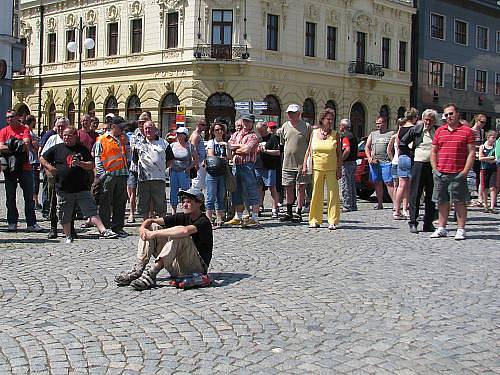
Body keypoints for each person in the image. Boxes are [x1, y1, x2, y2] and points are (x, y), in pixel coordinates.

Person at [114, 187, 213, 291]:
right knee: (153, 227)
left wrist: (154, 234)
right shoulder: (183, 216)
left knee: (180, 235)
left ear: (199, 203)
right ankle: (138, 269)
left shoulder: (204, 221)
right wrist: (143, 228)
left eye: (188, 202)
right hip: (178, 266)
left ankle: (152, 273)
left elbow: (185, 231)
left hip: (197, 268)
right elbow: (151, 221)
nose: (184, 205)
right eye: (183, 202)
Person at [40, 127, 118, 243]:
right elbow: (42, 158)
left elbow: (91, 164)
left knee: (91, 210)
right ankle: (68, 236)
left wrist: (80, 163)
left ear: (75, 136)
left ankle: (103, 231)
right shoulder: (57, 148)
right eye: (64, 135)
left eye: (69, 135)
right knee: (65, 214)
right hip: (63, 188)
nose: (66, 137)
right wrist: (49, 167)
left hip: (81, 187)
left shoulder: (82, 149)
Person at [430, 103, 475, 240]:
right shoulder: (440, 131)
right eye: (446, 114)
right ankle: (442, 228)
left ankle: (461, 229)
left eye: (451, 113)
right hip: (441, 172)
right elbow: (433, 152)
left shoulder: (467, 131)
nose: (449, 116)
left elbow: (471, 153)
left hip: (458, 172)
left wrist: (465, 172)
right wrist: (435, 169)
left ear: (457, 114)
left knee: (459, 202)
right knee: (442, 201)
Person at [0, 110, 42, 232]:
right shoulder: (4, 131)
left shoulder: (24, 129)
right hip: (9, 167)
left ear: (17, 117)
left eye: (11, 117)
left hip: (25, 167)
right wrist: (16, 145)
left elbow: (26, 144)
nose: (9, 119)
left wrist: (10, 145)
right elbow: (1, 147)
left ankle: (31, 223)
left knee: (28, 196)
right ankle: (12, 222)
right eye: (7, 118)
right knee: (10, 196)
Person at [400, 109, 439, 233]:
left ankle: (428, 223)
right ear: (423, 119)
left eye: (431, 120)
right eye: (426, 119)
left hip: (432, 165)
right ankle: (413, 222)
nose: (428, 122)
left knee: (431, 195)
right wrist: (412, 154)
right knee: (415, 194)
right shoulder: (416, 130)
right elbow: (402, 143)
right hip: (419, 164)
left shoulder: (437, 131)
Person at [303, 108, 342, 229]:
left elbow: (339, 153)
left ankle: (333, 220)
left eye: (332, 119)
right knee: (316, 194)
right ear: (322, 119)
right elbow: (309, 150)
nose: (330, 121)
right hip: (317, 168)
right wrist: (305, 164)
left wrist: (339, 168)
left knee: (333, 194)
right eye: (328, 119)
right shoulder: (314, 133)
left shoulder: (336, 135)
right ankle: (314, 219)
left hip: (331, 168)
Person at [94, 116, 130, 237]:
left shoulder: (122, 139)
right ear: (114, 126)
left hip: (122, 174)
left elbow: (125, 155)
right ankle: (105, 227)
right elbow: (97, 158)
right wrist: (102, 174)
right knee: (106, 203)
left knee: (120, 202)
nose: (123, 129)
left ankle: (118, 227)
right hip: (109, 175)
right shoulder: (102, 139)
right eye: (121, 127)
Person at [277, 104, 312, 222]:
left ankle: (299, 211)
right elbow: (283, 143)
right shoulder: (285, 126)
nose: (290, 115)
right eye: (289, 113)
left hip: (302, 164)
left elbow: (310, 145)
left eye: (293, 113)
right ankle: (289, 211)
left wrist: (307, 163)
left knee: (301, 187)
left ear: (299, 114)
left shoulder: (306, 127)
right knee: (288, 188)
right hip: (287, 163)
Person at [225, 113, 261, 227]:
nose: (245, 123)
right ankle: (238, 216)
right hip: (236, 165)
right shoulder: (236, 134)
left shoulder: (253, 136)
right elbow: (229, 148)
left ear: (252, 123)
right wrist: (238, 148)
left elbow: (246, 150)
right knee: (236, 191)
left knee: (252, 190)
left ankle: (254, 217)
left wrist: (235, 148)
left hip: (247, 165)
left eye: (248, 121)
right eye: (244, 121)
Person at [136, 121, 173, 220]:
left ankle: (162, 224)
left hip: (159, 178)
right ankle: (145, 225)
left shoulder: (163, 143)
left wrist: (160, 168)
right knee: (144, 205)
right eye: (146, 128)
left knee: (160, 204)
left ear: (155, 130)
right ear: (143, 130)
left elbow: (170, 159)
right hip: (143, 179)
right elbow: (135, 160)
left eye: (150, 128)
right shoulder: (138, 144)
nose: (148, 130)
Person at [393, 108, 418, 220]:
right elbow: (414, 144)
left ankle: (397, 210)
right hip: (410, 157)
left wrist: (399, 155)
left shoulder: (401, 129)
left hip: (401, 157)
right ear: (413, 117)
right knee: (409, 186)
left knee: (401, 185)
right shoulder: (414, 129)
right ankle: (405, 209)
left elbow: (398, 144)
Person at [205, 118, 230, 228]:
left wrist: (227, 147)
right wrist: (222, 157)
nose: (219, 131)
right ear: (213, 132)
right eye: (216, 130)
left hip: (222, 172)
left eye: (221, 129)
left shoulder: (226, 142)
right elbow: (211, 156)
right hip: (212, 172)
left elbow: (229, 157)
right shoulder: (211, 142)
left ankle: (220, 218)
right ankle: (208, 219)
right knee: (210, 196)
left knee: (221, 196)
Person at [365, 116, 394, 209]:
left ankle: (395, 204)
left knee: (389, 183)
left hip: (386, 162)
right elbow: (367, 147)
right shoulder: (373, 134)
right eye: (377, 123)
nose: (378, 125)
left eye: (380, 123)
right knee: (377, 183)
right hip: (374, 162)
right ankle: (380, 203)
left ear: (385, 123)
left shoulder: (391, 134)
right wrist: (369, 157)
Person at [255, 122, 281, 218]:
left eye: (261, 130)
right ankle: (259, 206)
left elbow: (278, 152)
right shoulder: (258, 139)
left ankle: (274, 209)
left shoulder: (273, 138)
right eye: (259, 131)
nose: (260, 132)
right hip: (258, 166)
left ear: (266, 128)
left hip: (270, 166)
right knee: (259, 188)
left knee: (272, 187)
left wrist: (265, 151)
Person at [170, 127, 197, 214]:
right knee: (173, 191)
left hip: (184, 172)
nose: (178, 135)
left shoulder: (189, 146)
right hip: (174, 171)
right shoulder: (172, 145)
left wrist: (189, 168)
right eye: (177, 133)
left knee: (185, 192)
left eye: (180, 134)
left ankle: (186, 209)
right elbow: (169, 158)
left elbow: (196, 159)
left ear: (185, 135)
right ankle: (173, 211)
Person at [127, 113, 148, 223]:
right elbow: (134, 147)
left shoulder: (153, 133)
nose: (140, 124)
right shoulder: (135, 134)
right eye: (139, 122)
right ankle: (131, 214)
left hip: (147, 168)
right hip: (135, 168)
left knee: (146, 193)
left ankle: (148, 214)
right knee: (132, 192)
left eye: (143, 122)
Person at [339, 119, 358, 212]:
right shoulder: (353, 136)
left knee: (346, 184)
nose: (339, 127)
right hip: (353, 162)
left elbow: (347, 150)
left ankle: (347, 205)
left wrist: (341, 160)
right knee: (352, 184)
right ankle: (353, 204)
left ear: (343, 126)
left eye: (340, 126)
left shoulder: (345, 136)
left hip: (347, 163)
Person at [24, 115, 42, 209]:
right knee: (35, 182)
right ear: (32, 122)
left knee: (33, 182)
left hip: (30, 160)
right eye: (35, 122)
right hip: (33, 160)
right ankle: (35, 201)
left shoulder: (26, 131)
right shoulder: (29, 132)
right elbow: (35, 146)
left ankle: (34, 201)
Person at [478, 130, 498, 213]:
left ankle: (492, 206)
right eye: (492, 137)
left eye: (495, 138)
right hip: (484, 169)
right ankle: (485, 205)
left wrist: (489, 159)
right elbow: (480, 158)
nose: (494, 139)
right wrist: (490, 158)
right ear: (488, 137)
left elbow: (496, 158)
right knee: (485, 187)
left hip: (493, 168)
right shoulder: (482, 146)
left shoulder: (496, 147)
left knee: (493, 187)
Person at [470, 114, 486, 206]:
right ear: (477, 121)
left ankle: (480, 198)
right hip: (472, 156)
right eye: (481, 122)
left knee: (480, 177)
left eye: (484, 122)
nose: (483, 124)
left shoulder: (482, 131)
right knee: (473, 176)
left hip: (480, 156)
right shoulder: (471, 131)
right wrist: (480, 147)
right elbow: (470, 145)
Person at [189, 118, 208, 190]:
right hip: (198, 163)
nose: (204, 127)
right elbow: (193, 149)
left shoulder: (199, 135)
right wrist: (196, 163)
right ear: (198, 125)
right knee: (197, 184)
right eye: (203, 125)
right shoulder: (196, 135)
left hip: (200, 162)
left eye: (205, 125)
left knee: (200, 184)